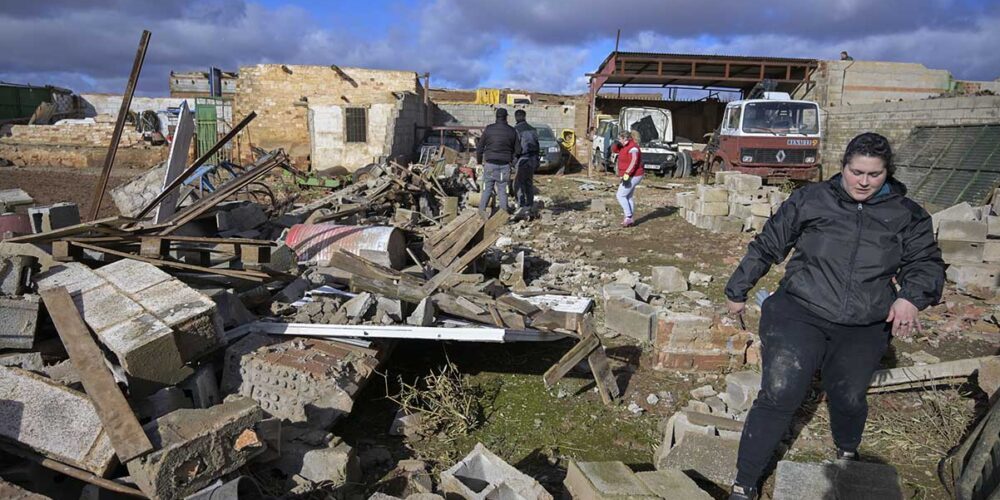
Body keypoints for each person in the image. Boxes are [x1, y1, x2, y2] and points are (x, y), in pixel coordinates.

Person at [723, 132, 944, 500]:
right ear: (842, 167)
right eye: (856, 172)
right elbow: (769, 243)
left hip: (864, 322)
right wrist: (737, 289)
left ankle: (847, 455)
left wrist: (911, 298)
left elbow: (926, 263)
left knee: (849, 396)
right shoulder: (812, 199)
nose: (864, 181)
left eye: (874, 175)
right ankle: (744, 483)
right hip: (800, 310)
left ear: (887, 173)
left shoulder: (906, 214)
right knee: (781, 392)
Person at [476, 108, 520, 214]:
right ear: (506, 117)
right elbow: (518, 150)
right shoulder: (512, 130)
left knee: (487, 189)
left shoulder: (489, 129)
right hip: (504, 166)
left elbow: (480, 148)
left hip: (490, 166)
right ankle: (503, 214)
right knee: (503, 190)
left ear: (496, 117)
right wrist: (511, 160)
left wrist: (478, 162)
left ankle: (481, 212)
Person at [610, 129, 643, 227]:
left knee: (620, 195)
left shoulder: (633, 148)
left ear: (625, 138)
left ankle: (628, 216)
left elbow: (634, 162)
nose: (619, 140)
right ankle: (629, 219)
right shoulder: (623, 146)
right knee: (628, 196)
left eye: (620, 139)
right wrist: (616, 144)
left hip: (634, 175)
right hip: (630, 174)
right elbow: (614, 150)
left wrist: (627, 174)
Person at [513, 109, 540, 215]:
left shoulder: (516, 130)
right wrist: (537, 159)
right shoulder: (533, 129)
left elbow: (516, 147)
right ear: (525, 116)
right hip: (532, 158)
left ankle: (521, 204)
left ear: (516, 117)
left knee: (518, 183)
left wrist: (513, 160)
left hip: (522, 158)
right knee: (528, 182)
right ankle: (530, 204)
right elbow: (537, 145)